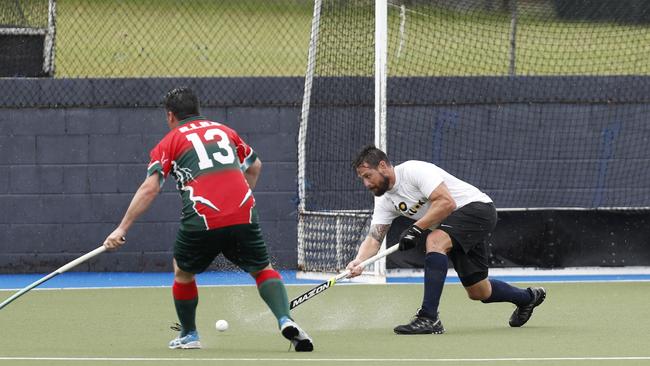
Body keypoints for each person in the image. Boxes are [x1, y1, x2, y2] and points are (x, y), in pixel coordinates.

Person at [103, 87, 314, 351]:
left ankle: (190, 334)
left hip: (202, 219)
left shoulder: (170, 142)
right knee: (262, 268)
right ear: (197, 109)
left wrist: (121, 228)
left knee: (183, 271)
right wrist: (240, 198)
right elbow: (255, 165)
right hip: (244, 213)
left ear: (170, 116)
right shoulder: (224, 131)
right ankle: (285, 319)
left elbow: (151, 187)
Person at [346, 145, 546, 334]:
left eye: (368, 176)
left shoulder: (414, 171)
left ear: (382, 166)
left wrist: (416, 228)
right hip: (452, 226)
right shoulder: (385, 200)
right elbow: (374, 238)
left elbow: (446, 202)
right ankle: (528, 298)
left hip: (477, 209)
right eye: (362, 179)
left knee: (434, 240)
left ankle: (429, 317)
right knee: (479, 291)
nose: (366, 184)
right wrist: (359, 261)